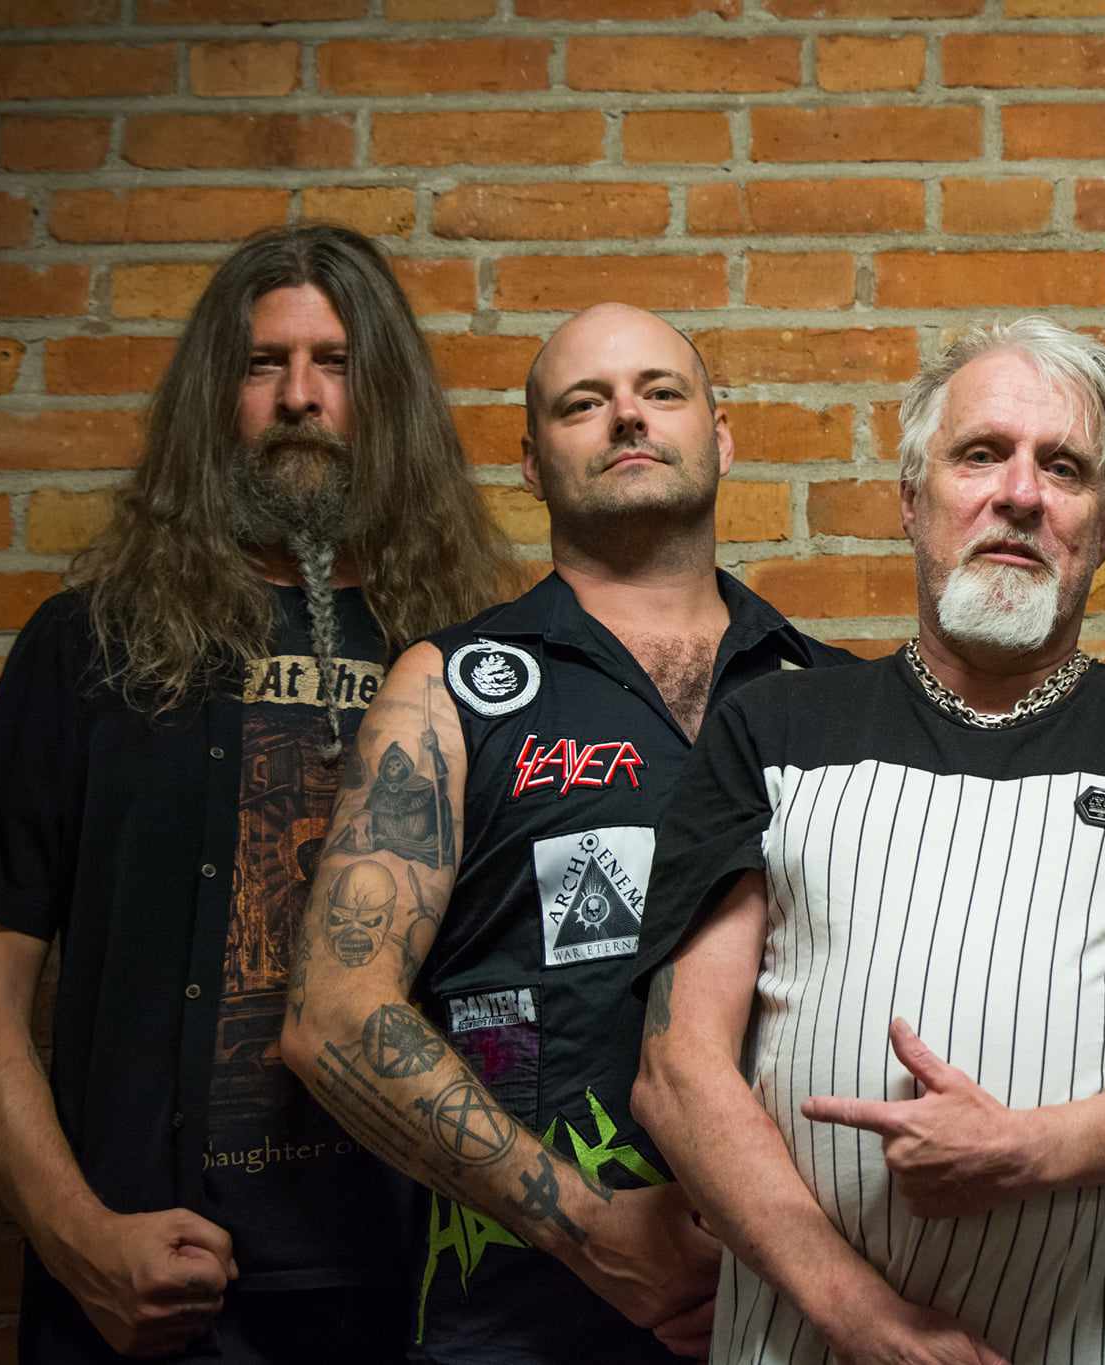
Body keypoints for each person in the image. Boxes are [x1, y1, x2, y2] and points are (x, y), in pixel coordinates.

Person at [630, 318, 1105, 1365]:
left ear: (1104, 525)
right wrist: (870, 1326)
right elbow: (678, 1071)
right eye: (980, 454)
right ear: (910, 497)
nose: (1019, 493)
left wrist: (1028, 1148)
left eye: (1062, 468)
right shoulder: (773, 732)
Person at [0, 224, 514, 1361]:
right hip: (151, 1289)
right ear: (214, 398)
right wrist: (79, 1240)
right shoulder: (89, 647)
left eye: (336, 364)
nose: (299, 398)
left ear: (388, 397)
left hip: (425, 1291)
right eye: (263, 364)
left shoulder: (483, 660)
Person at [281, 303, 853, 1364]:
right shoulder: (452, 689)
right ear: (533, 464)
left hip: (810, 1315)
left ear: (721, 435)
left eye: (660, 392)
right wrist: (590, 1232)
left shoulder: (836, 697)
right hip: (522, 1322)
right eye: (583, 404)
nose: (628, 416)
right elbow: (333, 1015)